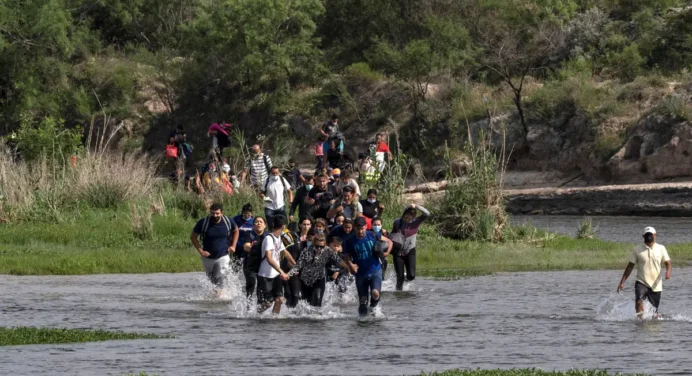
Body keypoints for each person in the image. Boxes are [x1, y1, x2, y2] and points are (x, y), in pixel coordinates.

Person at [617, 227, 672, 317]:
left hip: (656, 284)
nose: (649, 236)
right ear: (643, 236)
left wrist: (668, 272)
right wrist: (622, 282)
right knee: (639, 300)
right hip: (641, 281)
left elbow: (668, 263)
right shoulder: (637, 249)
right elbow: (630, 267)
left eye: (650, 234)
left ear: (655, 236)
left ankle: (652, 322)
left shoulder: (661, 248)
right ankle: (640, 322)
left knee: (654, 312)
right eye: (647, 235)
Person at [343, 217, 393, 317]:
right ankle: (362, 323)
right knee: (362, 301)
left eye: (362, 228)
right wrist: (350, 265)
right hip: (360, 274)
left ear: (366, 227)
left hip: (375, 270)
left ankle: (373, 308)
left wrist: (386, 253)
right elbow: (346, 256)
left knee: (375, 293)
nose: (360, 231)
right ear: (354, 228)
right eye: (358, 229)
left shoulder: (373, 235)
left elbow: (389, 242)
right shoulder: (349, 241)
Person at [190, 203, 240, 294]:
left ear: (222, 213)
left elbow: (236, 230)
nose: (215, 215)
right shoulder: (203, 222)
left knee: (219, 277)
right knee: (211, 279)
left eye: (217, 213)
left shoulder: (228, 221)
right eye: (212, 213)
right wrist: (201, 251)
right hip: (207, 257)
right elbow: (193, 237)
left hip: (223, 256)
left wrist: (233, 245)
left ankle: (221, 297)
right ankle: (217, 296)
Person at [292, 233, 348, 307]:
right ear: (313, 243)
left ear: (325, 244)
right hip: (306, 280)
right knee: (307, 303)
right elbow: (298, 265)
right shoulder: (306, 251)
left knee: (317, 302)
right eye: (317, 246)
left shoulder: (327, 250)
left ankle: (317, 318)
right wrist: (287, 274)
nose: (319, 248)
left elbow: (339, 260)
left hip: (319, 279)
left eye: (321, 246)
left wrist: (349, 267)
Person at [257, 217, 296, 314]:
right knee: (269, 302)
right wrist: (282, 272)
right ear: (283, 227)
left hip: (276, 275)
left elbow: (285, 252)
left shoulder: (278, 238)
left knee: (279, 300)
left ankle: (275, 320)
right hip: (265, 275)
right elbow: (269, 259)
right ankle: (256, 314)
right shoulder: (269, 239)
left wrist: (295, 264)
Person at [391, 204, 430, 291]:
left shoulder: (416, 222)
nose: (408, 217)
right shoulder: (397, 222)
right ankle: (399, 296)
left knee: (411, 276)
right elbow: (392, 235)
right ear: (404, 214)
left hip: (410, 251)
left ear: (414, 216)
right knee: (399, 278)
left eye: (411, 216)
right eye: (406, 215)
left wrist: (416, 206)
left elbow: (427, 213)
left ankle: (406, 278)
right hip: (398, 253)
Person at [242, 216, 267, 299]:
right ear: (253, 225)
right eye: (256, 222)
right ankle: (248, 306)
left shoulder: (268, 236)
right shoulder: (249, 234)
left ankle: (259, 307)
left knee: (261, 287)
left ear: (265, 225)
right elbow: (246, 247)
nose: (259, 223)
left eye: (261, 222)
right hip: (250, 265)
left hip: (263, 265)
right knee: (251, 284)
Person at [232, 204, 254, 268]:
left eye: (248, 214)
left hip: (248, 247)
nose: (247, 216)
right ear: (242, 212)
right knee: (236, 266)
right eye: (245, 214)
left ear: (252, 213)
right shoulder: (236, 219)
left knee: (247, 266)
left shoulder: (254, 221)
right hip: (237, 246)